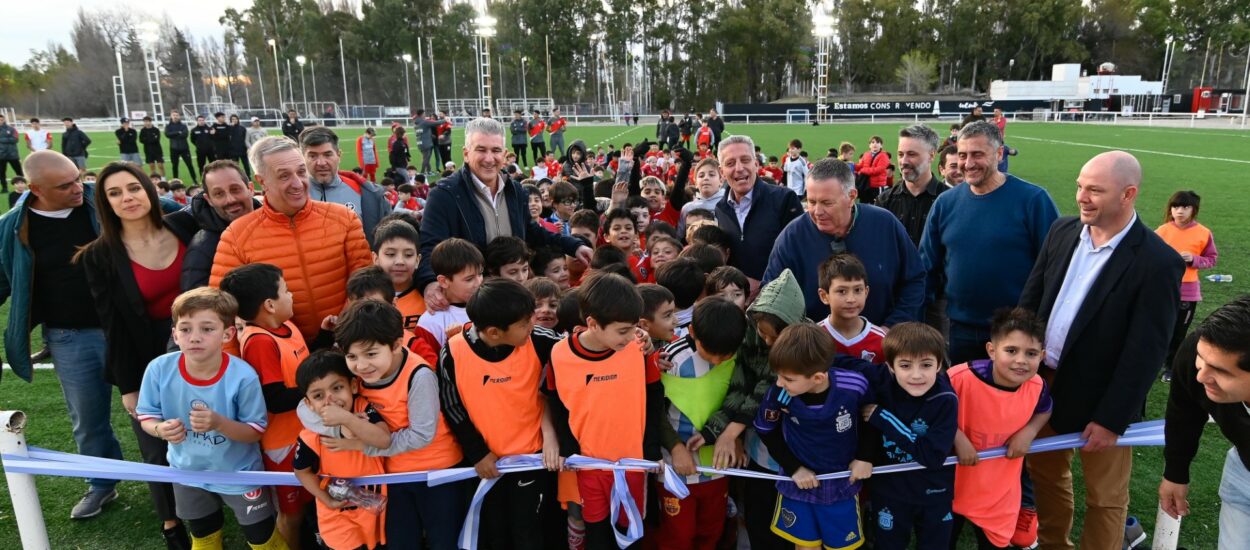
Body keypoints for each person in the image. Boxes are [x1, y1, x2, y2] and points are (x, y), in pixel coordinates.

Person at [1018, 150, 1185, 550]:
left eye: (1095, 190)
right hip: (1043, 385)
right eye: (1080, 186)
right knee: (1046, 477)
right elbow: (1031, 301)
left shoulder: (1157, 262)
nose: (1082, 197)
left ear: (1128, 194)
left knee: (1106, 497)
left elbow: (1147, 351)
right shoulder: (1061, 231)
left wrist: (1112, 418)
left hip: (1104, 399)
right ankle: (1054, 543)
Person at [0, 151, 130, 524]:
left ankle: (174, 483)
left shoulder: (101, 201)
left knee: (152, 413)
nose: (78, 188)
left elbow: (162, 211)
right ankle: (102, 483)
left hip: (126, 329)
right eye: (66, 185)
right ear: (35, 189)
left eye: (79, 178)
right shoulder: (12, 227)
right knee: (88, 420)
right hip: (68, 337)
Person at [74, 161, 195, 546]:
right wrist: (129, 386)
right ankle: (171, 521)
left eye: (133, 188)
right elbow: (114, 327)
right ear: (105, 203)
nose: (127, 198)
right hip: (146, 360)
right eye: (114, 193)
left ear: (148, 190)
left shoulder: (183, 226)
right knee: (157, 445)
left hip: (203, 349)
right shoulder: (99, 255)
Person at [301, 299, 466, 550]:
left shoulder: (419, 376)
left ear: (397, 344)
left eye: (371, 354)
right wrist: (339, 428)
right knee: (400, 543)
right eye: (352, 356)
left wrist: (360, 445)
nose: (362, 365)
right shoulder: (355, 377)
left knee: (443, 541)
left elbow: (422, 435)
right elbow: (311, 405)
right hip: (393, 477)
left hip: (435, 473)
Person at [134, 287, 285, 550]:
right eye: (185, 329)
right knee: (203, 534)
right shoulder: (158, 369)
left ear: (227, 334)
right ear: (175, 335)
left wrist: (219, 423)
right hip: (187, 472)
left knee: (262, 537)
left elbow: (255, 431)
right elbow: (146, 416)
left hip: (240, 473)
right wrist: (160, 429)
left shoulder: (242, 376)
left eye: (206, 329)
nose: (194, 338)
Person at [436, 278, 564, 549]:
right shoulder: (453, 352)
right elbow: (451, 406)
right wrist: (478, 453)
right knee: (494, 535)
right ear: (494, 332)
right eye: (523, 323)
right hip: (485, 466)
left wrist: (643, 345)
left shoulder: (540, 340)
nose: (532, 325)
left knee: (528, 535)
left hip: (530, 461)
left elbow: (579, 351)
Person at [416, 117, 592, 310]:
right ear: (466, 154)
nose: (489, 158)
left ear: (505, 153)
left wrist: (573, 245)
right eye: (481, 150)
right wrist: (429, 282)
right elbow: (430, 245)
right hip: (470, 304)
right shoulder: (444, 194)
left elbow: (531, 231)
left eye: (496, 151)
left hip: (512, 297)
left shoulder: (516, 190)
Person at [920, 120, 1059, 365]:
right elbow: (927, 266)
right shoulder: (945, 203)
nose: (968, 163)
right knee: (965, 400)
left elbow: (1055, 267)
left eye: (977, 154)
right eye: (962, 155)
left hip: (1016, 332)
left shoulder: (1033, 200)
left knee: (1011, 402)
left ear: (999, 154)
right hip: (960, 330)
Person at [210, 136, 372, 342]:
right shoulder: (236, 236)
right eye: (284, 176)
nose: (297, 183)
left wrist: (344, 331)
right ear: (262, 181)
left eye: (301, 172)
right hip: (280, 355)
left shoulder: (344, 218)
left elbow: (365, 285)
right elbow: (223, 311)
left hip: (347, 346)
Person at [544, 273, 665, 550]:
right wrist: (567, 448)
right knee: (597, 536)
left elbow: (655, 397)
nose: (631, 336)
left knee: (630, 535)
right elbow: (557, 404)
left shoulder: (638, 347)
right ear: (593, 324)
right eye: (623, 330)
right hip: (588, 466)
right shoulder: (559, 354)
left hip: (632, 464)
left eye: (635, 327)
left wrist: (652, 449)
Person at [755, 323, 874, 550]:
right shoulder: (779, 394)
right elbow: (766, 430)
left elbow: (871, 418)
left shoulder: (855, 386)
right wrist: (794, 468)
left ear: (818, 378)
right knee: (805, 546)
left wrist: (865, 457)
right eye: (778, 375)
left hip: (842, 483)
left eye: (788, 379)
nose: (780, 383)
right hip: (799, 485)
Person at [764, 157, 924, 326]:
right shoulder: (792, 236)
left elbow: (914, 279)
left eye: (827, 203)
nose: (817, 211)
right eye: (811, 202)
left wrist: (891, 328)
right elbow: (771, 297)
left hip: (882, 345)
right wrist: (805, 340)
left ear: (851, 196)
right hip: (815, 348)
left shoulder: (885, 224)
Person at [219, 263, 312, 545]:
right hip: (282, 445)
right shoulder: (259, 341)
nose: (292, 294)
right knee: (290, 513)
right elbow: (275, 398)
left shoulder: (287, 327)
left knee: (307, 505)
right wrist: (318, 392)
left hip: (305, 434)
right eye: (286, 290)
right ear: (270, 304)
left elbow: (300, 366)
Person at [948, 308, 1052, 550]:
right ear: (992, 351)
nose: (1021, 361)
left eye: (1031, 353)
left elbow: (1045, 409)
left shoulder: (1037, 386)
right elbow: (935, 413)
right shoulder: (959, 378)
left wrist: (1030, 432)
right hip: (953, 485)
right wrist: (958, 437)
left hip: (1000, 490)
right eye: (1011, 350)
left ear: (1042, 355)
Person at [853, 323, 957, 550]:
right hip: (890, 491)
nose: (916, 375)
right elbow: (839, 363)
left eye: (926, 365)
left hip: (934, 491)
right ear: (890, 366)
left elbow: (932, 456)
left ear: (939, 365)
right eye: (906, 365)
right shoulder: (880, 376)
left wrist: (885, 419)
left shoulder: (945, 399)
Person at [1158, 297, 1250, 550]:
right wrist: (1175, 473)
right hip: (1243, 470)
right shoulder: (1196, 353)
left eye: (1221, 371)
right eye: (1202, 359)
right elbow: (1183, 411)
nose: (1201, 375)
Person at [657, 296, 746, 550]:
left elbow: (741, 400)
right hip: (676, 472)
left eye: (725, 355)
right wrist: (675, 447)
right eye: (711, 353)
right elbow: (654, 412)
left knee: (711, 532)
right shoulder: (670, 359)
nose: (718, 361)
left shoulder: (739, 356)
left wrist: (736, 437)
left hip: (718, 469)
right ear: (693, 332)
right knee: (678, 537)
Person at [291, 350, 390, 550]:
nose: (330, 400)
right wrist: (326, 498)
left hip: (379, 516)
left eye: (337, 388)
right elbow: (301, 472)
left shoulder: (364, 408)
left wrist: (348, 421)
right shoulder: (311, 437)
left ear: (353, 385)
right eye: (318, 396)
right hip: (341, 522)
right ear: (309, 405)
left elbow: (383, 439)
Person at [714, 135, 803, 285]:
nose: (739, 168)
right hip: (738, 301)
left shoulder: (784, 199)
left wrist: (764, 284)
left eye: (745, 160)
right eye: (730, 163)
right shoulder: (721, 209)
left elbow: (799, 254)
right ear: (722, 172)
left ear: (756, 164)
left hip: (777, 299)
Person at [166, 160, 258, 290]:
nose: (230, 199)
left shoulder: (278, 220)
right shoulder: (203, 248)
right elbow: (195, 305)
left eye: (235, 189)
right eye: (219, 194)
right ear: (209, 200)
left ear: (251, 188)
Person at [1155, 190, 1218, 379]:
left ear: (1194, 209)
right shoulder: (1162, 231)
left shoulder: (1203, 233)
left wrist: (1194, 259)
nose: (1179, 211)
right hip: (1163, 289)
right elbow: (1151, 257)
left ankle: (1170, 367)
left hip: (1187, 293)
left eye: (1185, 207)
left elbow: (1211, 259)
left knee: (1178, 331)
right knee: (1159, 327)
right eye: (1175, 206)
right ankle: (1153, 360)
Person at [299, 127, 392, 246]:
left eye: (328, 155)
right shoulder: (291, 196)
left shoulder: (367, 193)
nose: (321, 163)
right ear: (302, 158)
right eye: (313, 156)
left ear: (339, 155)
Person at [416, 238, 484, 352]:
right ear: (443, 281)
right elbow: (430, 366)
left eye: (480, 274)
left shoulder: (491, 305)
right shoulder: (430, 322)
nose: (478, 283)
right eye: (469, 279)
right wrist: (454, 342)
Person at [817, 253, 887, 362]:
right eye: (842, 291)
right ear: (824, 296)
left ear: (866, 292)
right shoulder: (815, 338)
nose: (851, 299)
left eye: (858, 290)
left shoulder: (881, 340)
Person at [854, 135, 890, 204]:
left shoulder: (884, 156)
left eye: (878, 142)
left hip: (877, 186)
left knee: (877, 205)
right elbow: (861, 165)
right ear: (869, 145)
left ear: (881, 146)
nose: (875, 144)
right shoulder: (866, 154)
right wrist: (851, 165)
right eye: (873, 142)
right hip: (866, 185)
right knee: (864, 204)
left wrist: (863, 170)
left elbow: (878, 170)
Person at [164, 111, 196, 184]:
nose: (175, 117)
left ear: (179, 116)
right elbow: (167, 134)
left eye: (177, 115)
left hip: (184, 148)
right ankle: (175, 181)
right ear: (171, 116)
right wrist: (178, 132)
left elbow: (185, 134)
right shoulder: (168, 126)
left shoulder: (183, 126)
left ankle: (194, 180)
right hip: (173, 148)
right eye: (174, 115)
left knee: (189, 165)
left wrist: (174, 134)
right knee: (175, 165)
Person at [0, 114, 22, 191]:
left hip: (12, 155)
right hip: (1, 156)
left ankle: (22, 186)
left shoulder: (11, 129)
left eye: (1, 120)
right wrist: (7, 139)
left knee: (19, 171)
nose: (0, 121)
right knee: (2, 173)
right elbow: (10, 139)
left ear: (4, 120)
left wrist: (1, 139)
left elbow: (15, 139)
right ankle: (4, 188)